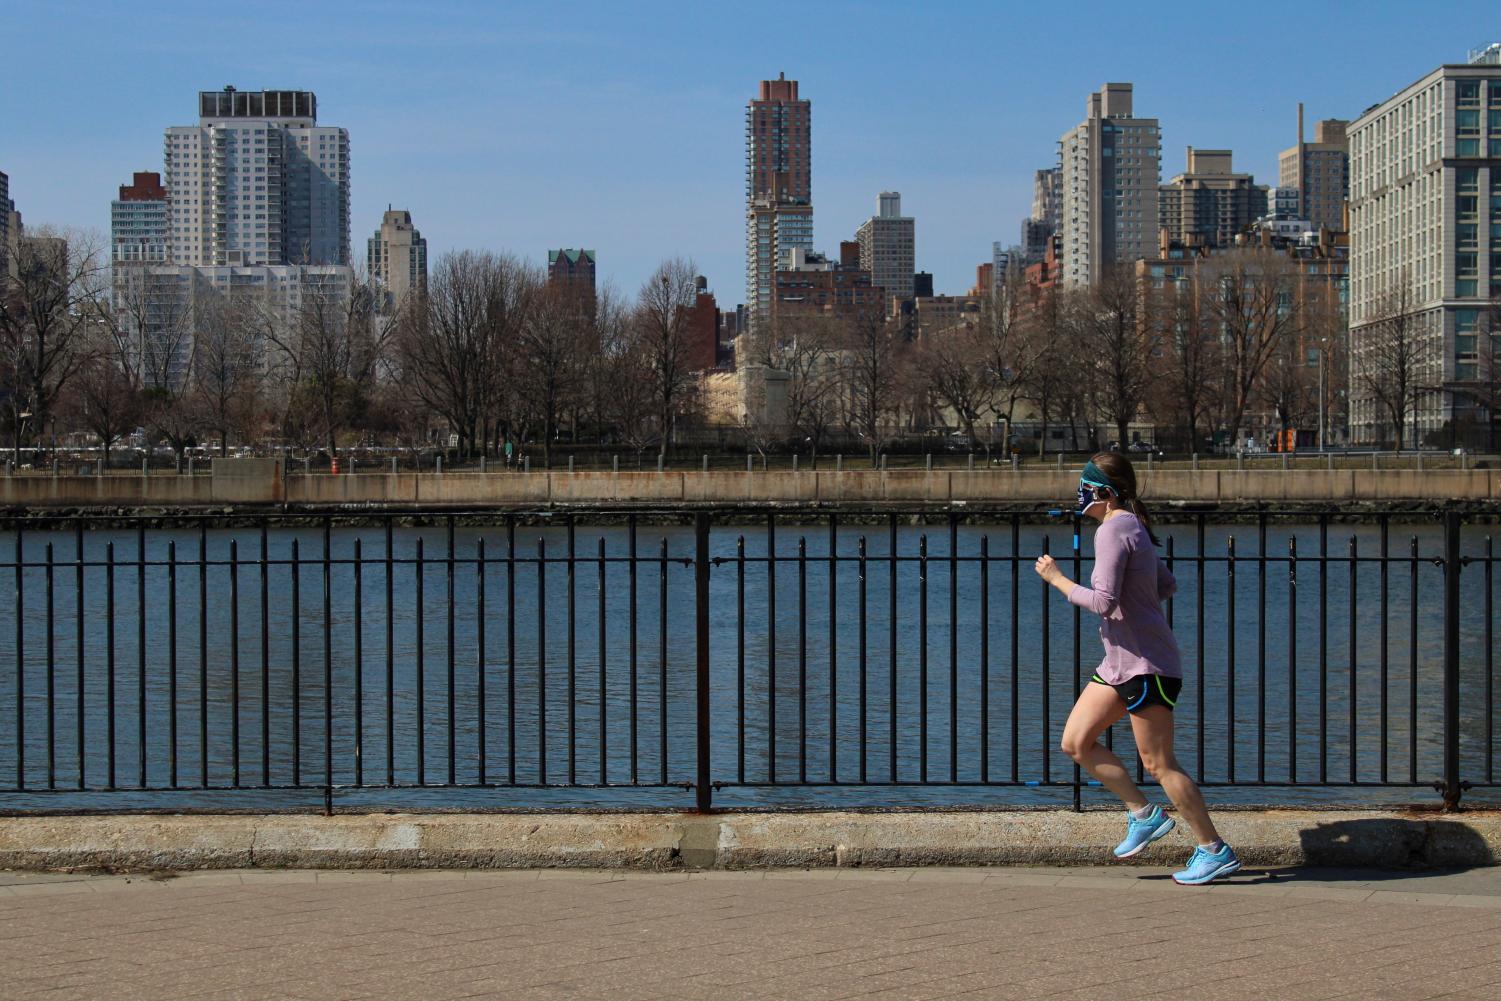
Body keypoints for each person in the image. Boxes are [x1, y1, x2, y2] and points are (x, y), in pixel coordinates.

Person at [1033, 451, 1240, 885]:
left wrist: (1057, 580)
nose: (1078, 499)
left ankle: (1213, 849)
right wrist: (1139, 603)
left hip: (1147, 665)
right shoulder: (1133, 526)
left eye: (1083, 491)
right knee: (1075, 742)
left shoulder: (1113, 530)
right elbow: (1165, 584)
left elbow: (1104, 601)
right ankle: (1144, 814)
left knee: (1160, 763)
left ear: (1104, 494)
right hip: (1119, 664)